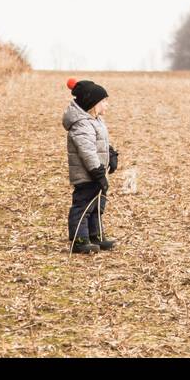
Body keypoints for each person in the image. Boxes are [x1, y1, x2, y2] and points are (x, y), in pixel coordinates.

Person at [63, 77, 119, 254]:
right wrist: (98, 173)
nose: (107, 105)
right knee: (84, 206)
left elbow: (100, 142)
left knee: (97, 206)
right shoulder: (82, 125)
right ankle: (79, 240)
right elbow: (87, 152)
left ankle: (96, 236)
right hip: (87, 175)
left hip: (96, 174)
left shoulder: (95, 120)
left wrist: (111, 153)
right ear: (93, 103)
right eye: (104, 101)